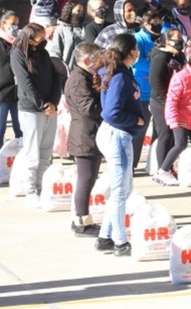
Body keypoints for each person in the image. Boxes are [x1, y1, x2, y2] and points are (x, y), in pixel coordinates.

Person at [93, 33, 145, 256]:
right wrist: (136, 120)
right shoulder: (119, 77)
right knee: (120, 192)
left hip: (117, 135)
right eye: (136, 49)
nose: (138, 52)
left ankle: (105, 237)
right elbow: (111, 112)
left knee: (123, 190)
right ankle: (120, 242)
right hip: (117, 136)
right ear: (131, 52)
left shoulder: (121, 72)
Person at [10, 23, 62, 207]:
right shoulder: (18, 54)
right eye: (39, 37)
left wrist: (53, 102)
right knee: (32, 152)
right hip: (31, 109)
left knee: (46, 151)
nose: (42, 40)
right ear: (29, 38)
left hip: (50, 108)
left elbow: (55, 78)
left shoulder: (43, 53)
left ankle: (41, 187)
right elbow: (25, 83)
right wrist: (42, 104)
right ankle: (30, 190)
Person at [154, 51, 191, 186]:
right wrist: (173, 120)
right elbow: (171, 101)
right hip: (179, 118)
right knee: (180, 144)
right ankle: (162, 171)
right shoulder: (180, 78)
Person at [65, 42, 103, 236]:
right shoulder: (78, 79)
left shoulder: (86, 76)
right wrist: (108, 105)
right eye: (97, 58)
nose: (100, 62)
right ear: (86, 60)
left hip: (89, 133)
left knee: (89, 178)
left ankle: (82, 219)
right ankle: (82, 222)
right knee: (85, 179)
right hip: (83, 134)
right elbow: (88, 108)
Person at [130, 11, 164, 170]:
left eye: (159, 22)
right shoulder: (137, 39)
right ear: (145, 23)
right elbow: (138, 62)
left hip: (159, 91)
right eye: (154, 23)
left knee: (160, 130)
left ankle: (155, 163)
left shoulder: (163, 37)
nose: (158, 25)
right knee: (139, 130)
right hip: (142, 91)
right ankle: (132, 165)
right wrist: (160, 67)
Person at [149, 29, 186, 172]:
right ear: (168, 41)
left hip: (175, 101)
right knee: (165, 135)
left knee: (173, 137)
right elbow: (155, 81)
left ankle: (170, 167)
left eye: (181, 37)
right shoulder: (160, 58)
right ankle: (162, 169)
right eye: (177, 38)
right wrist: (167, 102)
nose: (180, 41)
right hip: (161, 103)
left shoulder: (178, 55)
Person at [0, 11, 23, 142]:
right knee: (0, 129)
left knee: (21, 130)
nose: (15, 27)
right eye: (12, 23)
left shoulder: (18, 42)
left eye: (17, 24)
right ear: (3, 24)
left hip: (18, 93)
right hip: (2, 94)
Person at [46, 0, 85, 71]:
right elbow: (55, 52)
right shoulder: (60, 29)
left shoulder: (84, 28)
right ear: (70, 11)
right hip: (65, 70)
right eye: (78, 11)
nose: (80, 14)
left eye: (82, 11)